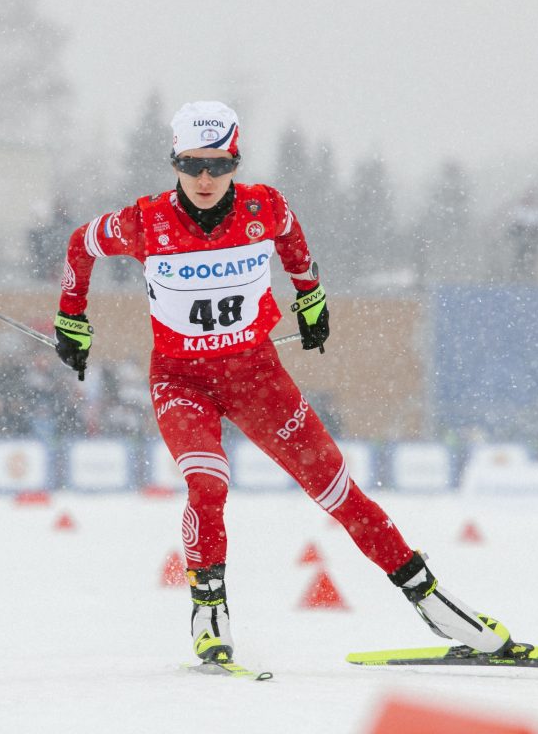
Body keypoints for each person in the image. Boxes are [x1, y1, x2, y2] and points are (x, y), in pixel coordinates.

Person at [52, 101, 509, 664]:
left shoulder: (263, 207)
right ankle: (209, 612)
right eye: (191, 164)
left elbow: (293, 238)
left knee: (339, 493)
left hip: (256, 377)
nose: (204, 178)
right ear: (174, 163)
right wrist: (71, 317)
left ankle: (433, 601)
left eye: (219, 165)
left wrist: (310, 295)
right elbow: (81, 242)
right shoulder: (145, 221)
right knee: (208, 482)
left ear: (235, 164)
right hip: (181, 382)